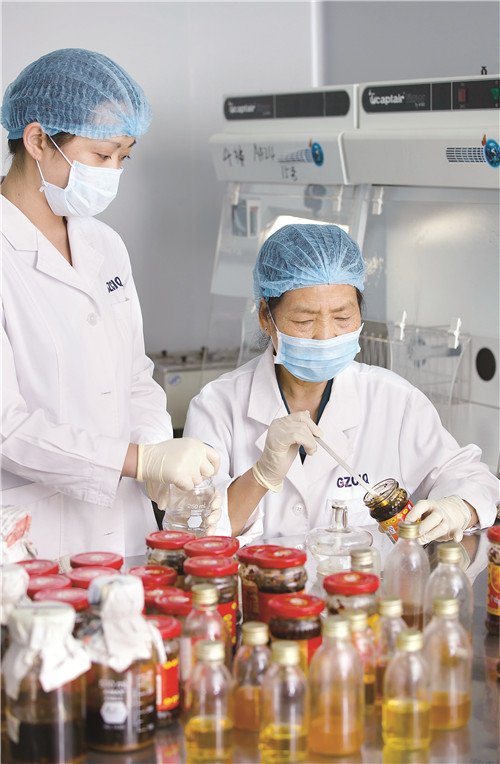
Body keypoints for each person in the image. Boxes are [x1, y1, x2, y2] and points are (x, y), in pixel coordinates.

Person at [1, 49, 219, 559]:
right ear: (37, 140)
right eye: (102, 155)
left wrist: (158, 456)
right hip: (30, 536)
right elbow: (7, 429)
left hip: (124, 525)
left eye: (125, 156)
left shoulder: (104, 244)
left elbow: (134, 377)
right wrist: (138, 460)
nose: (114, 171)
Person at [184, 224, 499, 544]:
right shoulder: (218, 405)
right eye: (304, 320)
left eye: (342, 317)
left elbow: (472, 478)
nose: (325, 335)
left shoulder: (394, 400)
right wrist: (260, 475)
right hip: (255, 576)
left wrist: (457, 508)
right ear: (266, 316)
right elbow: (193, 529)